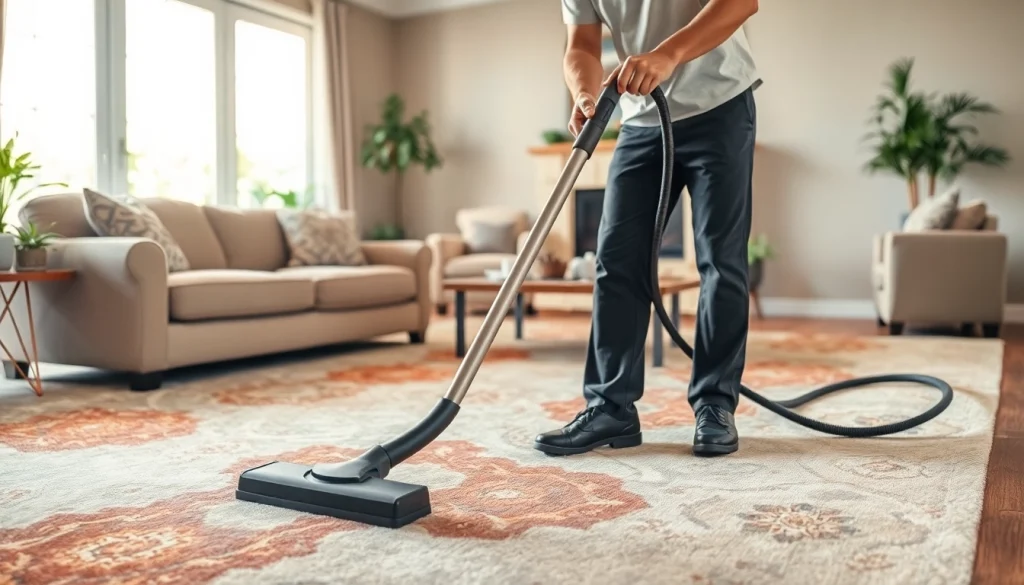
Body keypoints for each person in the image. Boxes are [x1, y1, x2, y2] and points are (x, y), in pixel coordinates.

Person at [534, 0, 761, 457]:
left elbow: (741, 2)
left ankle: (715, 405)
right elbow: (580, 45)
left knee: (721, 261)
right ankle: (610, 407)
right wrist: (584, 92)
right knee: (616, 262)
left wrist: (666, 55)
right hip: (639, 122)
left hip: (719, 105)